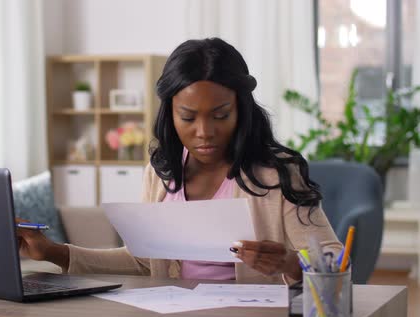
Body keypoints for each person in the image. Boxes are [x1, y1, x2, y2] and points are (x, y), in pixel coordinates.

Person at [17, 38, 342, 284]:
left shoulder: (278, 174)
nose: (204, 132)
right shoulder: (161, 172)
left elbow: (335, 261)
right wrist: (54, 252)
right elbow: (146, 262)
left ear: (241, 110)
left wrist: (289, 263)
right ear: (170, 114)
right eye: (188, 117)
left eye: (220, 115)